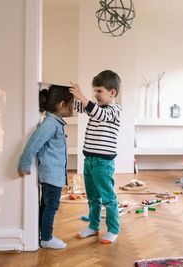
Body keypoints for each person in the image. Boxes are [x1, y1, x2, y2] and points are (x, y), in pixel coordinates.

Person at [18, 85, 74, 249]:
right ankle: (47, 238)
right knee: (51, 206)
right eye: (72, 104)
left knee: (46, 205)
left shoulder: (54, 122)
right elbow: (34, 144)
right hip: (51, 175)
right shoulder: (50, 123)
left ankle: (43, 235)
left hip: (53, 175)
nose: (74, 108)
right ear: (62, 104)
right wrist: (24, 164)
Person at [70, 70, 122, 244]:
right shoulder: (95, 109)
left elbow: (99, 114)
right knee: (92, 197)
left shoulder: (114, 110)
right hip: (90, 161)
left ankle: (113, 230)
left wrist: (84, 97)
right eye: (95, 91)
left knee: (108, 198)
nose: (96, 95)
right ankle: (93, 226)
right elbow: (80, 107)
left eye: (99, 91)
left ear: (112, 92)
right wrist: (71, 96)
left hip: (103, 163)